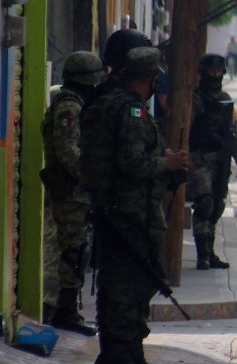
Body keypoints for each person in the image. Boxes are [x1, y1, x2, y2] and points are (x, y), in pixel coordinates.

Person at [80, 46, 189, 364]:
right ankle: (123, 356)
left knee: (116, 290)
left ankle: (117, 353)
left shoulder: (106, 103)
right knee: (128, 294)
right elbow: (132, 162)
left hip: (114, 215)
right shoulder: (131, 111)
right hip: (131, 217)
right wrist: (166, 163)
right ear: (152, 79)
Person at [40, 51, 107, 336]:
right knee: (73, 251)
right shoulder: (70, 108)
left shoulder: (74, 104)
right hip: (71, 193)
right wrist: (93, 177)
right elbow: (69, 154)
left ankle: (66, 308)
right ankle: (64, 310)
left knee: (77, 249)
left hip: (75, 193)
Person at [187, 53, 237, 270]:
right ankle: (202, 255)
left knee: (217, 205)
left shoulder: (225, 99)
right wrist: (185, 158)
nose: (215, 75)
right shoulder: (193, 98)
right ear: (203, 72)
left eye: (218, 71)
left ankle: (210, 253)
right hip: (199, 158)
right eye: (211, 71)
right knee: (204, 204)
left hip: (219, 160)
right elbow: (183, 131)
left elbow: (234, 131)